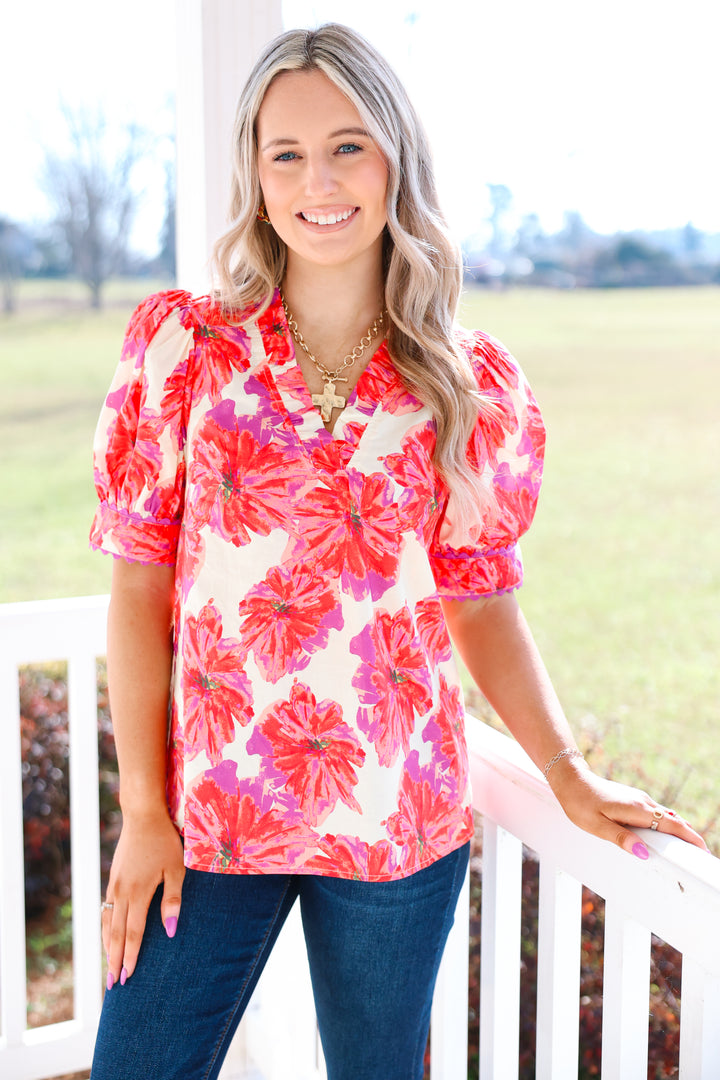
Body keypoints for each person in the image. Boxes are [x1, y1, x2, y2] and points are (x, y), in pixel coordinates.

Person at [88, 22, 706, 1080]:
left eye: (348, 146)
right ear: (254, 173)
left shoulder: (466, 381)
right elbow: (138, 589)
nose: (318, 180)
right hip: (211, 820)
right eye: (285, 154)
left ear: (394, 160)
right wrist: (144, 813)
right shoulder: (183, 348)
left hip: (398, 820)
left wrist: (563, 769)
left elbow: (481, 599)